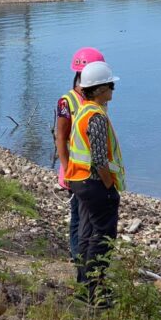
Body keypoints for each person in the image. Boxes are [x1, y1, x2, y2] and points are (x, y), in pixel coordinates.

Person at [64, 61, 124, 307]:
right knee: (102, 237)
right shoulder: (96, 117)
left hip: (79, 181)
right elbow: (100, 158)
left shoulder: (83, 109)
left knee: (87, 235)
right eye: (111, 85)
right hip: (94, 184)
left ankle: (84, 287)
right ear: (99, 89)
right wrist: (109, 186)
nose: (113, 89)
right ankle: (96, 293)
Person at [54, 47, 105, 261]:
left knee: (93, 219)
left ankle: (89, 257)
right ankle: (78, 258)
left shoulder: (97, 99)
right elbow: (61, 137)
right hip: (76, 173)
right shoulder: (67, 102)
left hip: (95, 173)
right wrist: (68, 170)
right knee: (78, 217)